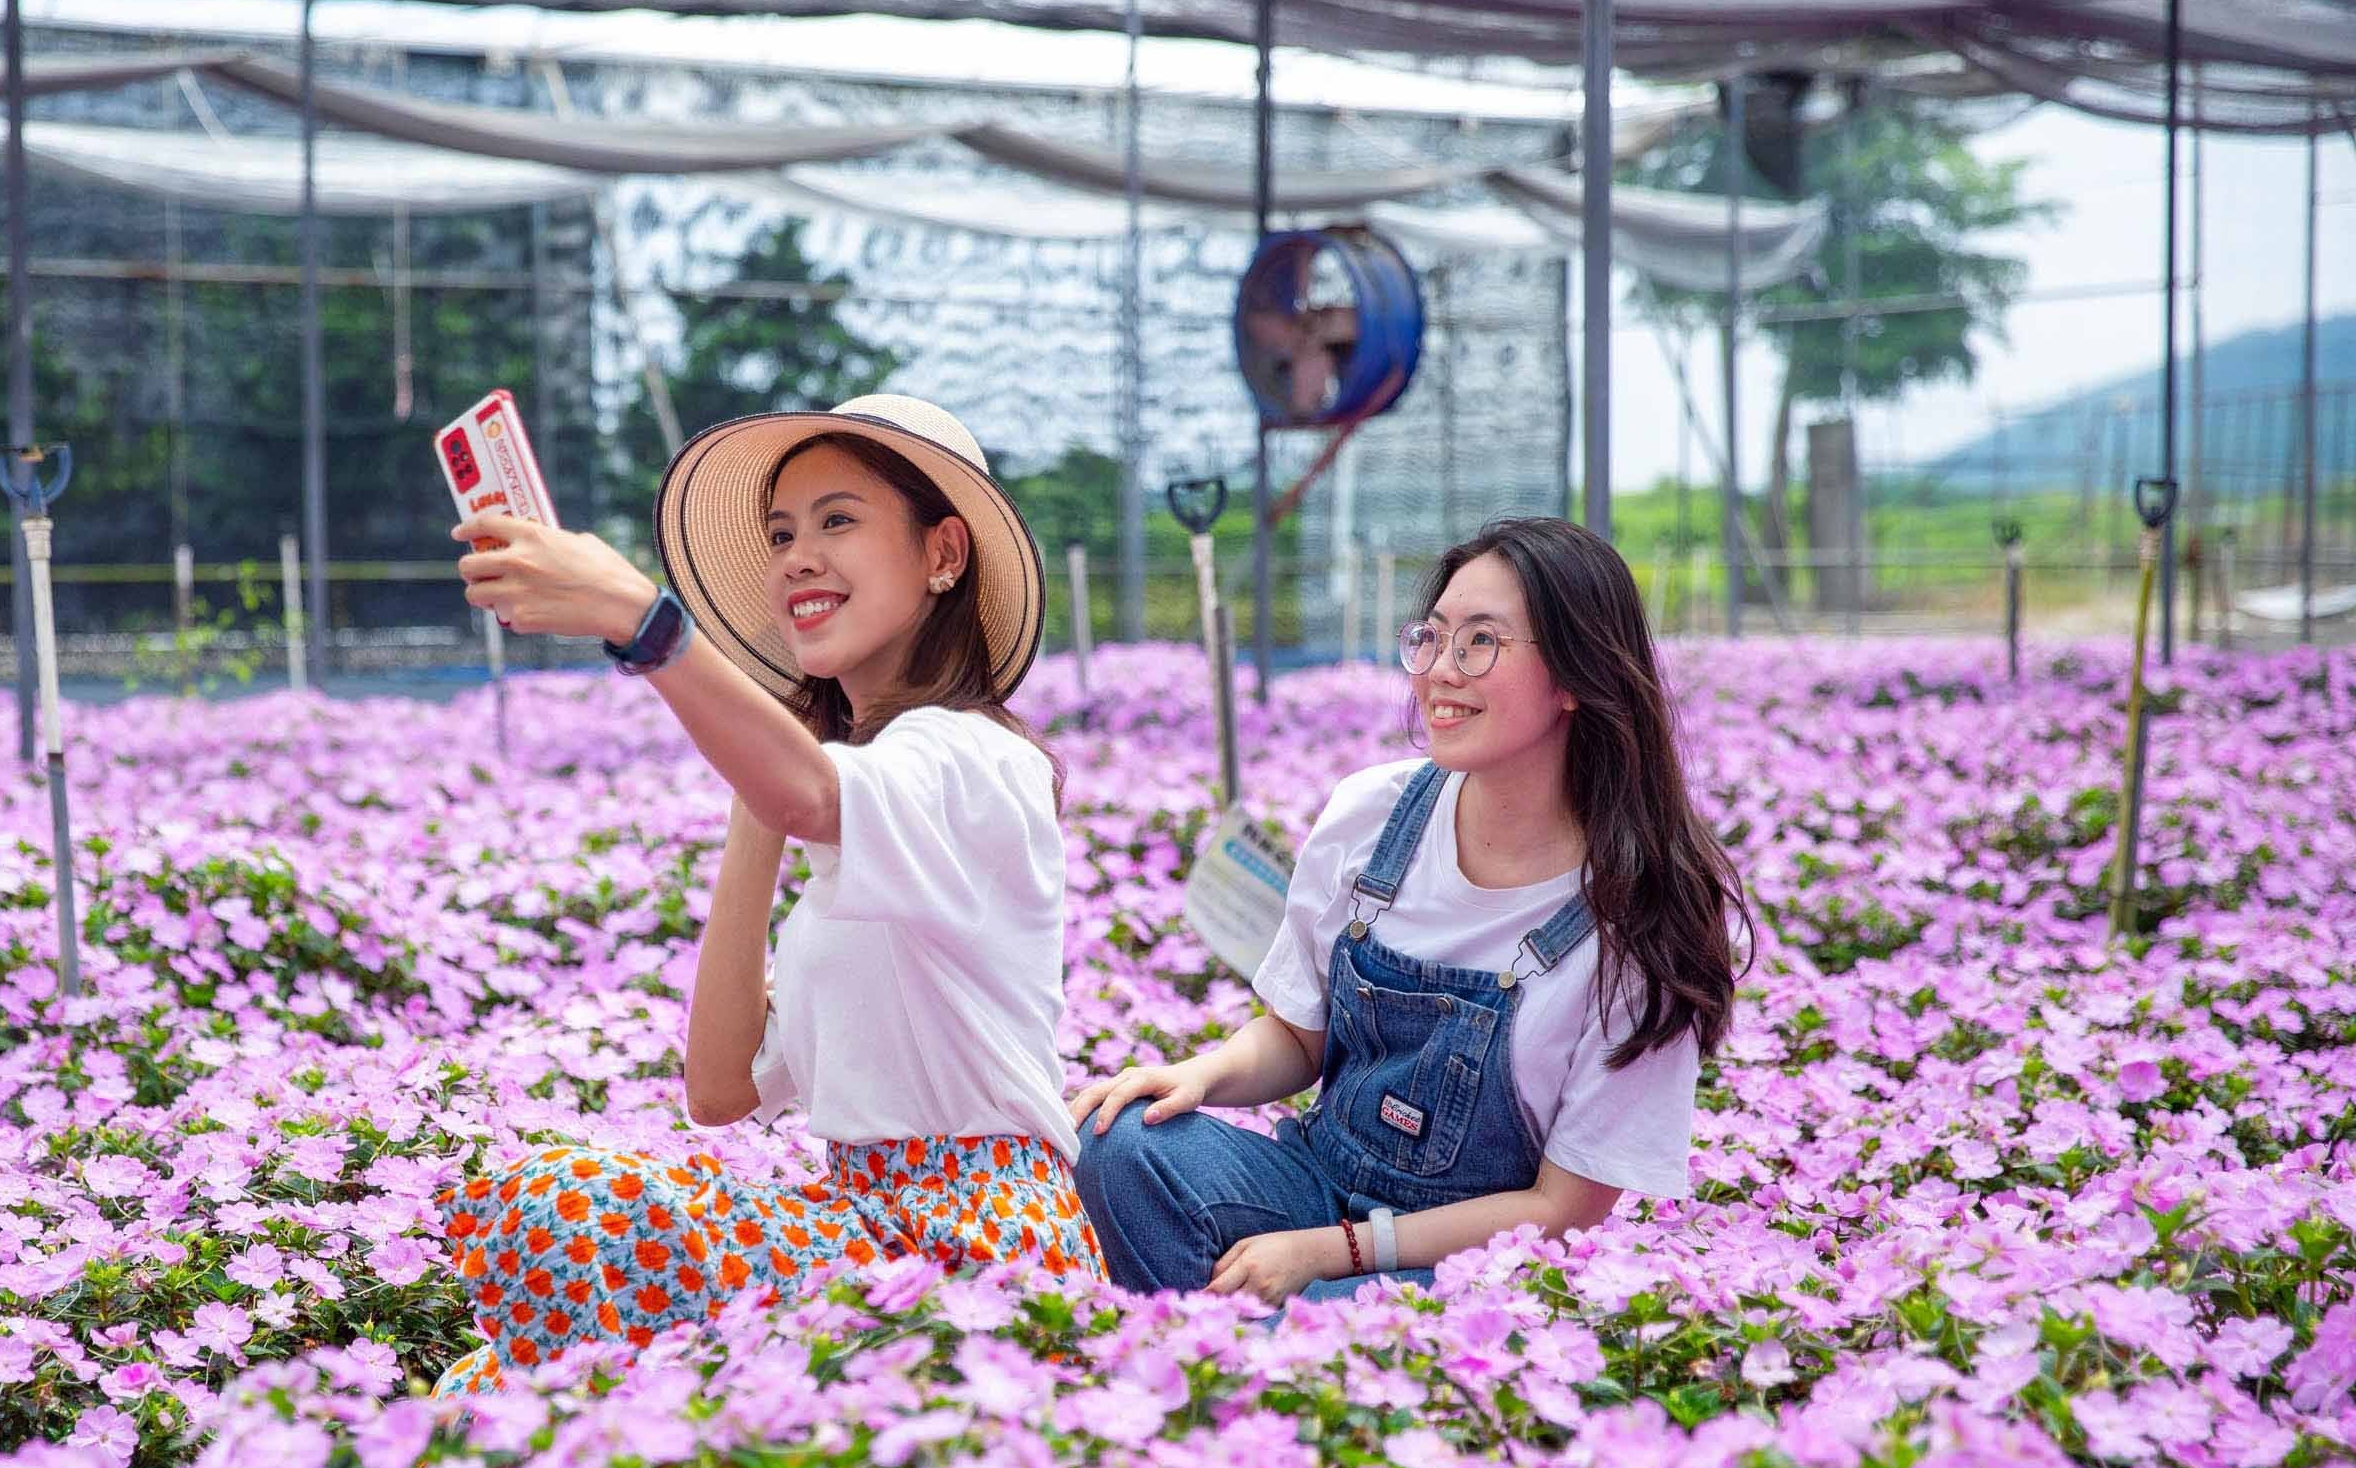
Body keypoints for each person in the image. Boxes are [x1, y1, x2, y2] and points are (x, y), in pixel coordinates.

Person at [430, 395, 1099, 1389]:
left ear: (943, 553)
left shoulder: (976, 759)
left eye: (837, 520)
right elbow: (721, 1088)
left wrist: (641, 621)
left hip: (978, 1250)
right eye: (781, 534)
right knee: (473, 1387)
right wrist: (760, 790)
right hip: (874, 1232)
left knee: (562, 1202)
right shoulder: (854, 821)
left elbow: (810, 793)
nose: (796, 558)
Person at [1070, 516, 1749, 1301]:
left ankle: (1244, 1347)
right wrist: (1197, 1075)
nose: (1438, 672)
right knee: (1118, 1143)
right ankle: (1227, 1342)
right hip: (1314, 1185)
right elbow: (1297, 1037)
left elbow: (1562, 1211)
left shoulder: (1641, 916)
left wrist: (1334, 1253)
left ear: (1575, 674)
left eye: (1481, 641)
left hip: (1474, 1267)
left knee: (1324, 1326)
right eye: (1431, 637)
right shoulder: (1372, 815)